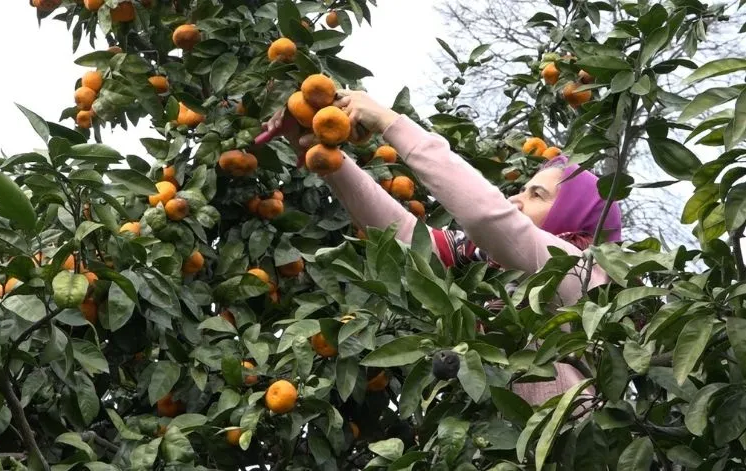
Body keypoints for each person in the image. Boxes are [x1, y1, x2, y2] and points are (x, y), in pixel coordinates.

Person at [262, 90, 622, 405]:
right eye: (521, 188)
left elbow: (487, 216)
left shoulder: (580, 271)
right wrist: (324, 157)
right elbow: (405, 236)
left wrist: (391, 122)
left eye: (537, 194)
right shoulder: (485, 267)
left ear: (574, 216)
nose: (516, 200)